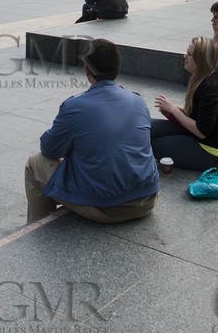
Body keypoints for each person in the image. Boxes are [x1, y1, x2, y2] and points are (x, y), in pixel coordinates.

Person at [24, 39, 158, 223]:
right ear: (117, 68)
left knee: (35, 163)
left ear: (87, 70)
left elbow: (49, 149)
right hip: (147, 198)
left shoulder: (74, 107)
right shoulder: (138, 101)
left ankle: (40, 230)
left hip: (107, 208)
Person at [152, 36, 218, 172]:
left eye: (190, 54)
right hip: (198, 138)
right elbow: (197, 114)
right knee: (146, 127)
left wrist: (174, 110)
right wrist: (172, 109)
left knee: (150, 144)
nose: (185, 56)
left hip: (210, 153)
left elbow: (202, 131)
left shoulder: (210, 86)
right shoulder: (204, 78)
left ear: (201, 60)